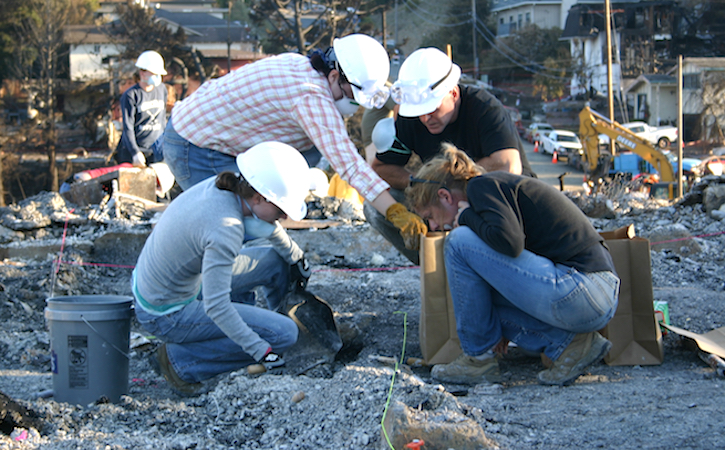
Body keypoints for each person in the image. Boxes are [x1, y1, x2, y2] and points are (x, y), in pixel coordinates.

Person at [162, 34, 426, 249]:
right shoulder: (310, 97)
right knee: (232, 230)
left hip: (215, 134)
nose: (355, 106)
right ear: (334, 76)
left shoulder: (305, 67)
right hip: (193, 143)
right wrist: (394, 211)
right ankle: (230, 307)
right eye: (353, 97)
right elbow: (350, 166)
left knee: (298, 166)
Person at [406, 143, 619, 386]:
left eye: (430, 217)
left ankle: (478, 359)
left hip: (583, 288)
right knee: (483, 297)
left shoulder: (481, 186)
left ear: (445, 196)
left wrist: (465, 218)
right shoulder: (493, 196)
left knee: (457, 242)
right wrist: (495, 326)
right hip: (588, 294)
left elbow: (511, 243)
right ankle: (572, 345)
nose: (434, 227)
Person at [132, 141, 313, 396]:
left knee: (275, 261)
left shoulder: (227, 186)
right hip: (166, 312)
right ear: (260, 197)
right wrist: (262, 351)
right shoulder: (225, 229)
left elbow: (270, 224)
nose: (284, 216)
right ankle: (179, 362)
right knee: (284, 334)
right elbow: (216, 306)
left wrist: (296, 257)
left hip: (174, 282)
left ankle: (270, 323)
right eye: (281, 209)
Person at [364, 47, 535, 264]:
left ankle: (488, 268)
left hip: (498, 197)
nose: (426, 118)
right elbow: (381, 168)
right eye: (420, 112)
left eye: (433, 109)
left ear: (453, 94)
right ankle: (436, 267)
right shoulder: (412, 115)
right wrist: (422, 184)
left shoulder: (484, 107)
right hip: (444, 198)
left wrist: (450, 183)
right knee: (376, 208)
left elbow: (508, 165)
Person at [115, 50, 168, 167]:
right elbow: (127, 128)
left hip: (156, 151)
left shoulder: (162, 89)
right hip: (136, 152)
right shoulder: (131, 95)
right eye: (154, 73)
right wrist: (135, 152)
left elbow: (163, 119)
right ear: (142, 73)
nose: (158, 77)